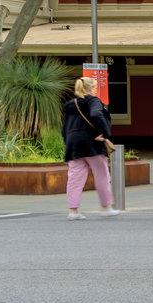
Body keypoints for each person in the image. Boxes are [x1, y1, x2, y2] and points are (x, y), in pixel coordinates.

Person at [62, 77, 120, 220]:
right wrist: (105, 133)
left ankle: (73, 211)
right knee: (102, 175)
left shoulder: (70, 105)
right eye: (94, 87)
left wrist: (68, 141)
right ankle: (105, 207)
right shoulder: (93, 101)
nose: (95, 89)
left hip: (73, 145)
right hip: (92, 143)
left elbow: (64, 128)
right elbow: (96, 114)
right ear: (90, 88)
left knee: (74, 178)